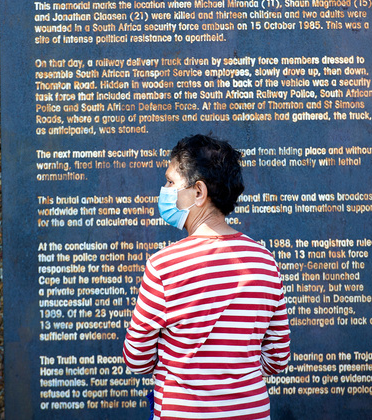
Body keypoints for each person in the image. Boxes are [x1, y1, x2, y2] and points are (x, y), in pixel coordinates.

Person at [123, 134, 291, 420]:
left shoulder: (163, 266)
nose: (165, 191)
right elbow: (277, 358)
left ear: (198, 192)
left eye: (171, 182)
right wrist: (233, 373)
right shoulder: (265, 262)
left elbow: (136, 357)